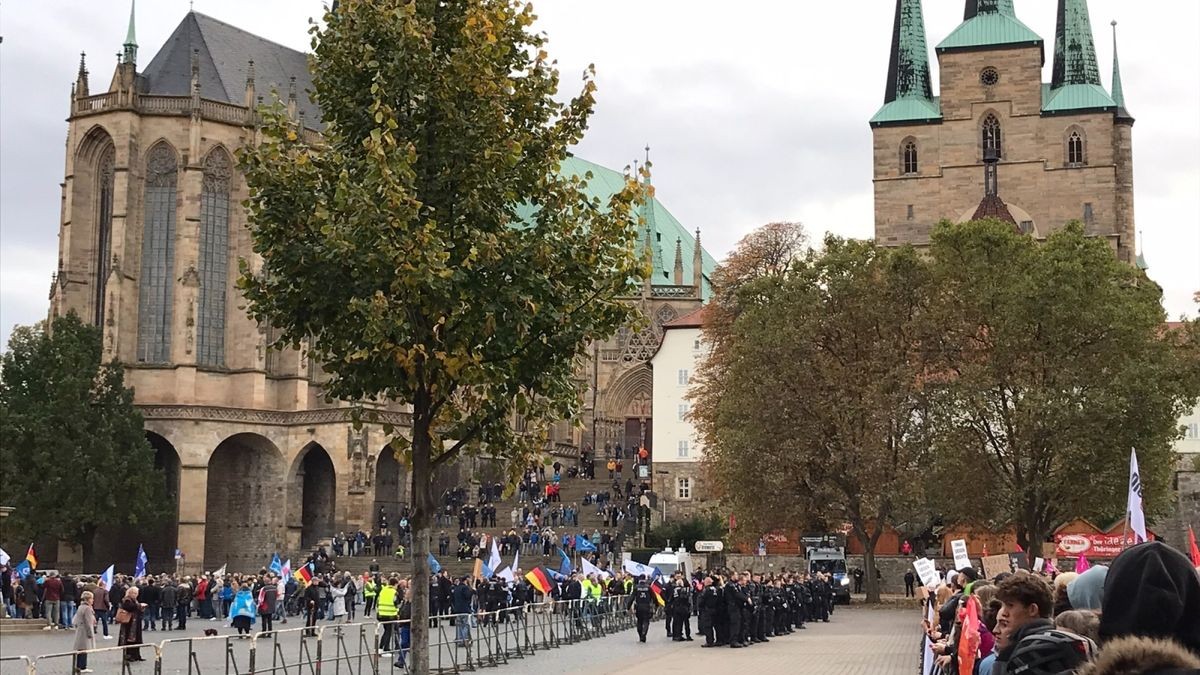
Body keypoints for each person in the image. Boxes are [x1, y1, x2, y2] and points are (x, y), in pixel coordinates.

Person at [117, 587, 146, 662]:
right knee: (130, 639)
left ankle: (137, 655)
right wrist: (139, 605)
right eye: (134, 593)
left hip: (135, 622)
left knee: (136, 639)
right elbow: (129, 607)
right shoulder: (127, 600)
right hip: (129, 623)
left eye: (136, 593)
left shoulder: (134, 600)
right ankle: (129, 656)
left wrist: (141, 608)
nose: (135, 595)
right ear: (130, 593)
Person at [72, 590, 96, 673]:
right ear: (88, 599)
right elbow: (88, 622)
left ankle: (78, 666)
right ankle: (83, 666)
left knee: (80, 649)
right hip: (85, 631)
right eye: (92, 598)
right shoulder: (87, 609)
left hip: (80, 630)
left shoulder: (80, 607)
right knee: (84, 649)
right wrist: (90, 634)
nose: (93, 600)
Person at [625, 575, 654, 643]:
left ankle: (640, 635)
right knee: (646, 621)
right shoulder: (648, 587)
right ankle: (644, 633)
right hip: (646, 606)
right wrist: (656, 604)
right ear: (645, 579)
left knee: (639, 621)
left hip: (638, 606)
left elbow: (631, 598)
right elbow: (654, 596)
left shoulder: (636, 587)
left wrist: (628, 607)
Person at [376, 577, 399, 653]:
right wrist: (397, 612)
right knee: (388, 632)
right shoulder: (394, 592)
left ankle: (381, 647)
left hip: (381, 614)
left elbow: (378, 601)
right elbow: (396, 603)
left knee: (386, 631)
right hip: (390, 614)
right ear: (395, 584)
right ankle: (385, 648)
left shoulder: (383, 590)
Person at [451, 576, 475, 648]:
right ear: (465, 581)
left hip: (458, 609)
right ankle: (464, 640)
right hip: (464, 609)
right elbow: (467, 596)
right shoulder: (465, 588)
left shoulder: (456, 588)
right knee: (465, 625)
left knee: (459, 625)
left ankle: (459, 639)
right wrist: (472, 591)